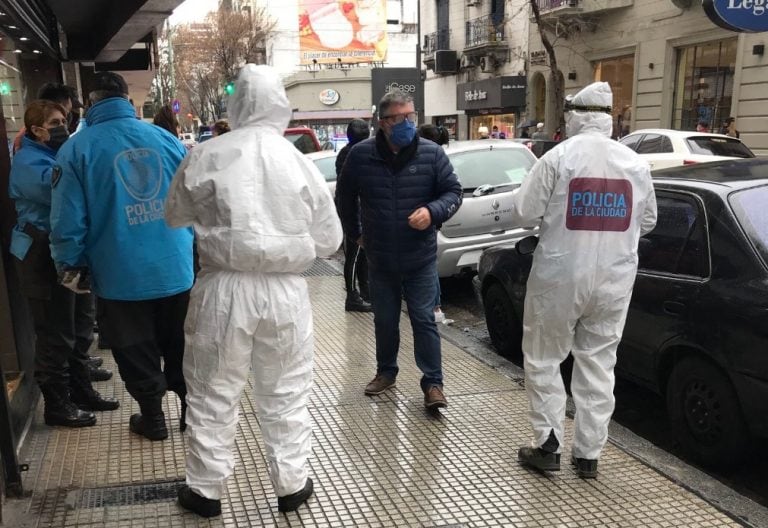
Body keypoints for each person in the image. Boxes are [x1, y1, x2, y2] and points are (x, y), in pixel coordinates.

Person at [165, 64, 342, 518]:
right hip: (285, 291)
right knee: (286, 388)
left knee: (211, 389)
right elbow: (330, 240)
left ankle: (205, 491)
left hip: (223, 287)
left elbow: (174, 214)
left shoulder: (206, 155)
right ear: (280, 104)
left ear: (235, 104)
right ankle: (292, 483)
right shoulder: (299, 160)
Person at [511, 82, 657, 479]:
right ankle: (589, 454)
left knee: (544, 357)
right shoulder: (635, 164)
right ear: (609, 119)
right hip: (614, 279)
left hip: (560, 276)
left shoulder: (558, 158)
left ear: (574, 116)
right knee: (598, 363)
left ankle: (548, 444)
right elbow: (648, 222)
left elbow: (524, 211)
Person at [49, 71, 193, 442]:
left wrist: (69, 264)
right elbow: (193, 199)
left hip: (119, 274)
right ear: (127, 101)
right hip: (175, 267)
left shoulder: (76, 150)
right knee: (180, 342)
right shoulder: (165, 138)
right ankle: (193, 415)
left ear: (90, 103)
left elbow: (67, 221)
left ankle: (153, 418)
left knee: (133, 345)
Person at [339, 89, 462, 409]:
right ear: (384, 122)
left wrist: (432, 212)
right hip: (379, 257)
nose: (409, 122)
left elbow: (453, 192)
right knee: (385, 320)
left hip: (419, 257)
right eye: (402, 118)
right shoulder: (361, 155)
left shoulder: (432, 154)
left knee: (424, 319)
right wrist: (355, 235)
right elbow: (344, 197)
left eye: (412, 116)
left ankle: (433, 383)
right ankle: (386, 372)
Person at [8, 100, 120, 428]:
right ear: (36, 129)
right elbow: (66, 193)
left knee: (78, 322)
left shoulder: (51, 155)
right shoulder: (29, 162)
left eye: (65, 120)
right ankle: (57, 404)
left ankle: (80, 389)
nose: (63, 126)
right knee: (55, 332)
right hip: (40, 255)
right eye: (56, 121)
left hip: (63, 250)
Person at [417, 123, 454, 326]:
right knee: (430, 266)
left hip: (426, 218)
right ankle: (436, 307)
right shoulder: (440, 155)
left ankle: (435, 307)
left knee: (428, 267)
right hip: (433, 218)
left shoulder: (430, 157)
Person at [335, 118, 372, 312]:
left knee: (359, 254)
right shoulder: (356, 153)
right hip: (355, 211)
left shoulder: (346, 152)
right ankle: (352, 295)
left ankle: (364, 291)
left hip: (355, 209)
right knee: (355, 254)